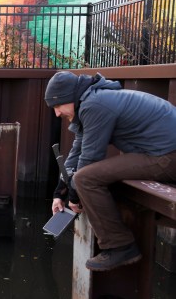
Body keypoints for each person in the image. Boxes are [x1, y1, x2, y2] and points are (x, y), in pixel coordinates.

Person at [45, 71, 176, 271]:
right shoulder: (92, 100)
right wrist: (60, 192)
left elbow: (89, 159)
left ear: (69, 98)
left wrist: (74, 195)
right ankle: (118, 241)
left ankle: (119, 245)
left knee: (85, 179)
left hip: (167, 157)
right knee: (83, 177)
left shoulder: (94, 105)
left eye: (57, 105)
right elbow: (76, 152)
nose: (57, 113)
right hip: (160, 153)